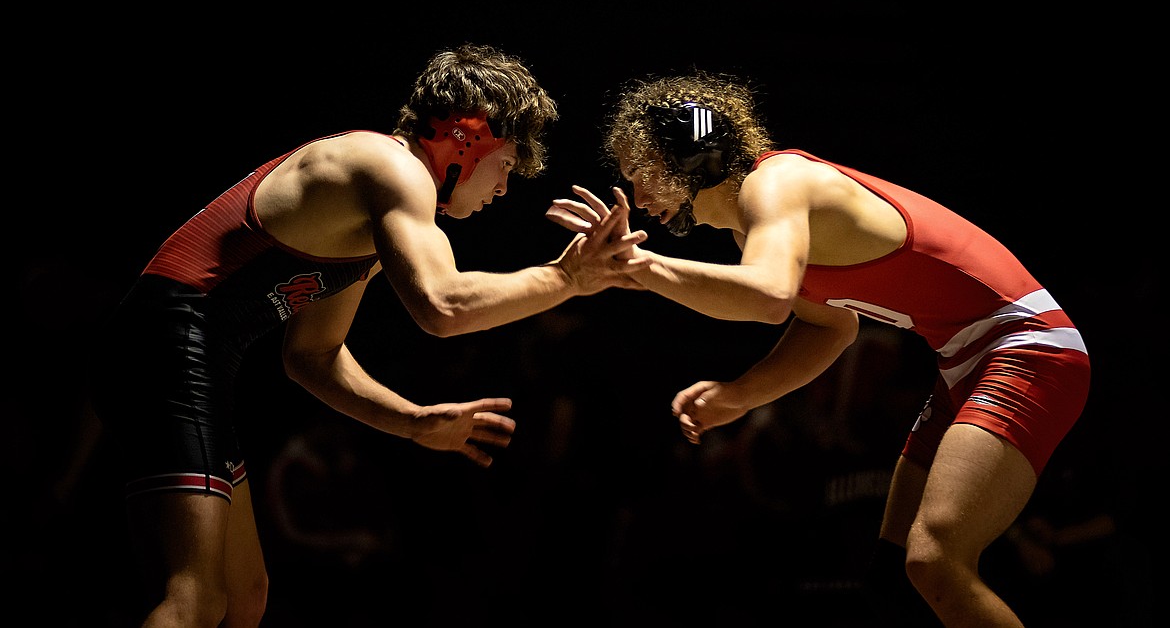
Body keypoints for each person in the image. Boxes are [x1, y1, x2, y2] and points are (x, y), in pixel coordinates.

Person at [91, 43, 648, 628]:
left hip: (179, 355)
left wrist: (412, 421)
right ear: (468, 137)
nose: (504, 187)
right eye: (506, 163)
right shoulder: (390, 168)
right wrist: (566, 278)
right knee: (195, 600)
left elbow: (313, 356)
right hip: (164, 347)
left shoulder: (377, 207)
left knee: (243, 597)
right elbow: (442, 305)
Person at [546, 71, 1090, 627]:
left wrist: (641, 268)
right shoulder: (756, 222)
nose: (639, 199)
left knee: (936, 561)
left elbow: (768, 296)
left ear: (693, 154)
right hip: (970, 360)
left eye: (645, 176)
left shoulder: (777, 184)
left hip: (1029, 347)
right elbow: (828, 327)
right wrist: (742, 393)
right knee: (893, 575)